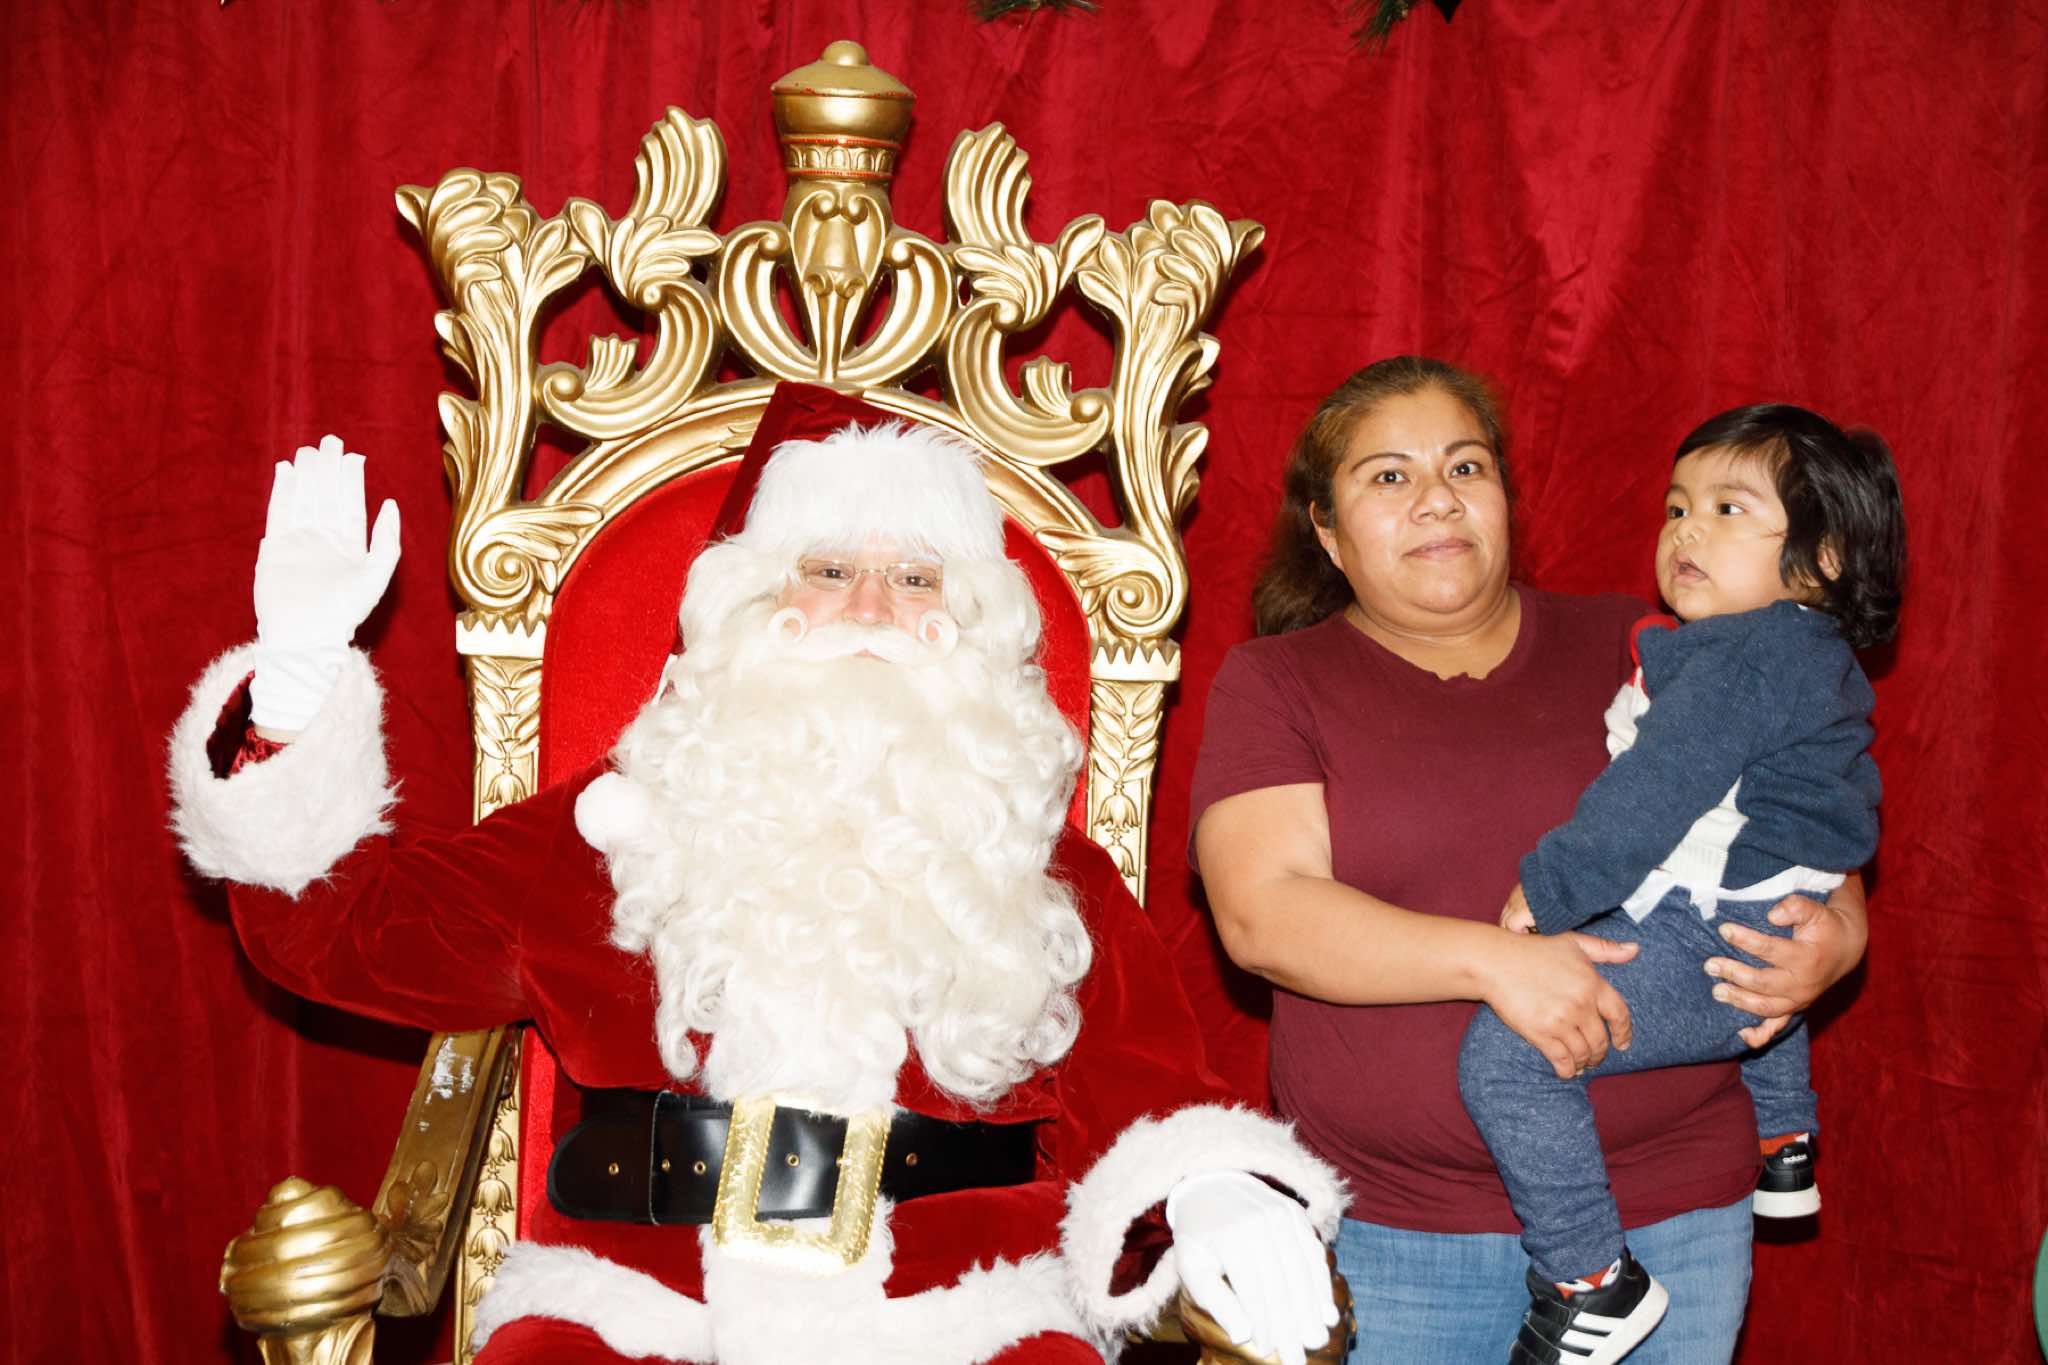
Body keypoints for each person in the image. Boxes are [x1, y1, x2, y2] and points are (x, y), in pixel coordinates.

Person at [169, 384, 1348, 1365]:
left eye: (917, 579)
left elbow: (1150, 1091)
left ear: (971, 623)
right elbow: (343, 935)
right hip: (639, 1310)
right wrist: (295, 688)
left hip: (961, 1318)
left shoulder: (1029, 865)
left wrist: (1207, 1190)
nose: (871, 609)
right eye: (827, 568)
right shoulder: (611, 830)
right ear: (750, 602)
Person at [1188, 358, 1872, 1365]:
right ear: (1326, 531)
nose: (1437, 498)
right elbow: (1263, 914)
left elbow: (1798, 810)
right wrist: (1495, 962)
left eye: (1465, 466)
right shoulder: (1277, 682)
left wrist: (1839, 936)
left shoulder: (1649, 642)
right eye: (1389, 476)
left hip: (1673, 1212)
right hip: (1398, 1240)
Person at [1458, 404, 1905, 1364]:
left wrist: (1549, 887)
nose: (1688, 529)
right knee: (1766, 932)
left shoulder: (1747, 658)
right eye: (1676, 507)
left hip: (1714, 929)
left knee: (1508, 1053)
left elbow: (1650, 795)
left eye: (1729, 509)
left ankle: (1592, 1281)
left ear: (1823, 559)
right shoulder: (1796, 651)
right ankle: (1785, 1140)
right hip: (1768, 906)